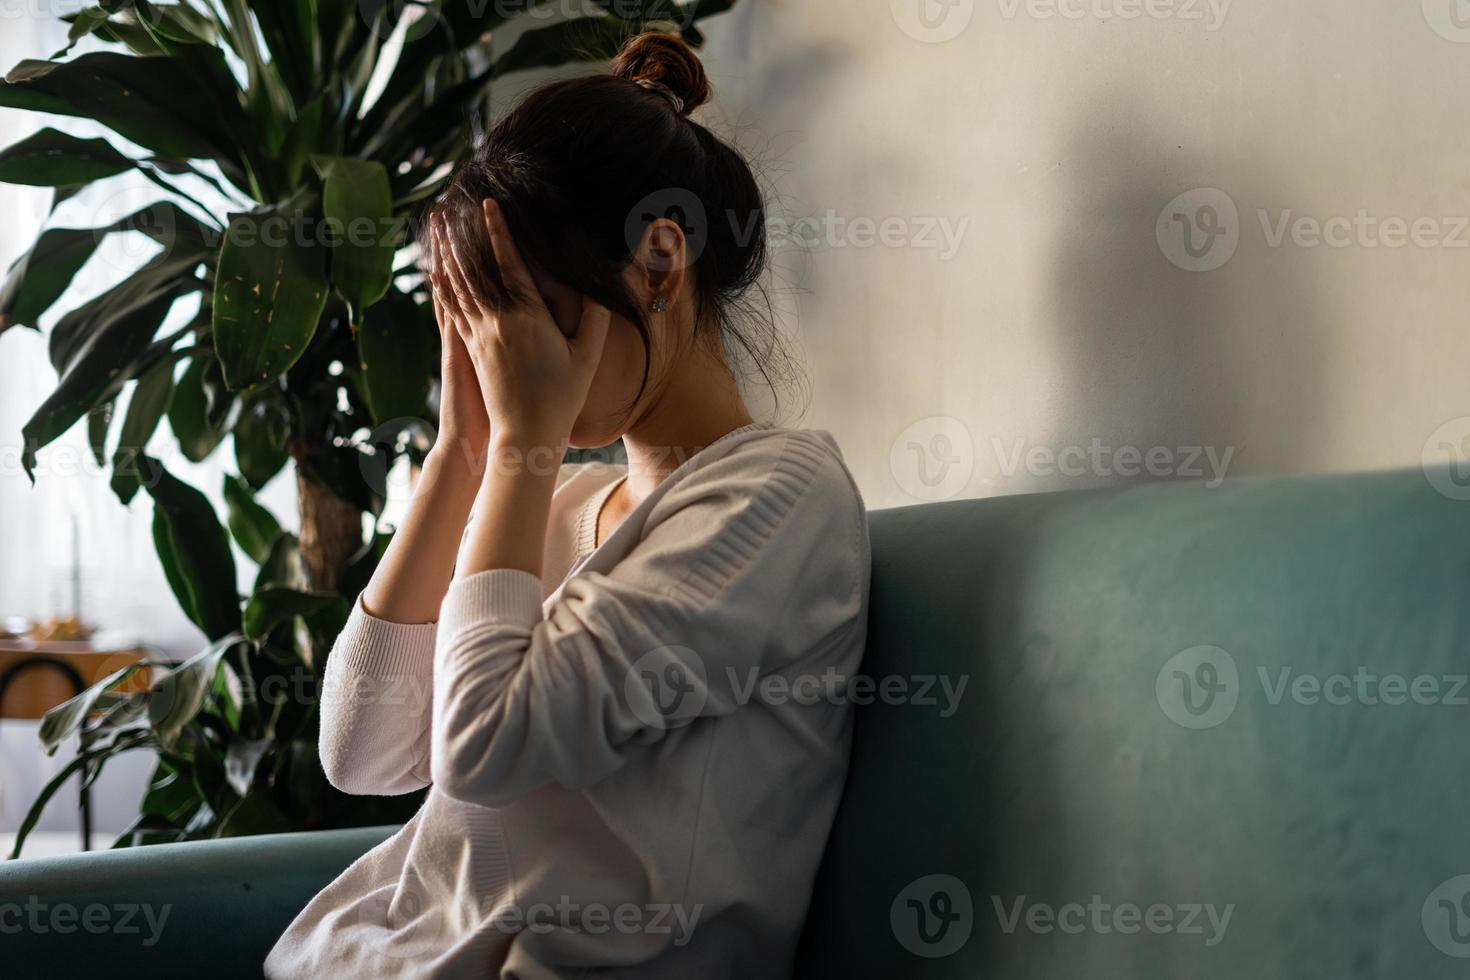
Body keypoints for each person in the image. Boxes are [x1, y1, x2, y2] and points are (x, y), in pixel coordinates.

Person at [266, 30, 871, 979]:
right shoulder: (558, 500)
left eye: (522, 315)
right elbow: (361, 753)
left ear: (661, 265)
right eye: (479, 328)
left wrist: (516, 449)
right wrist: (461, 452)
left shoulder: (775, 499)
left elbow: (483, 748)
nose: (503, 359)